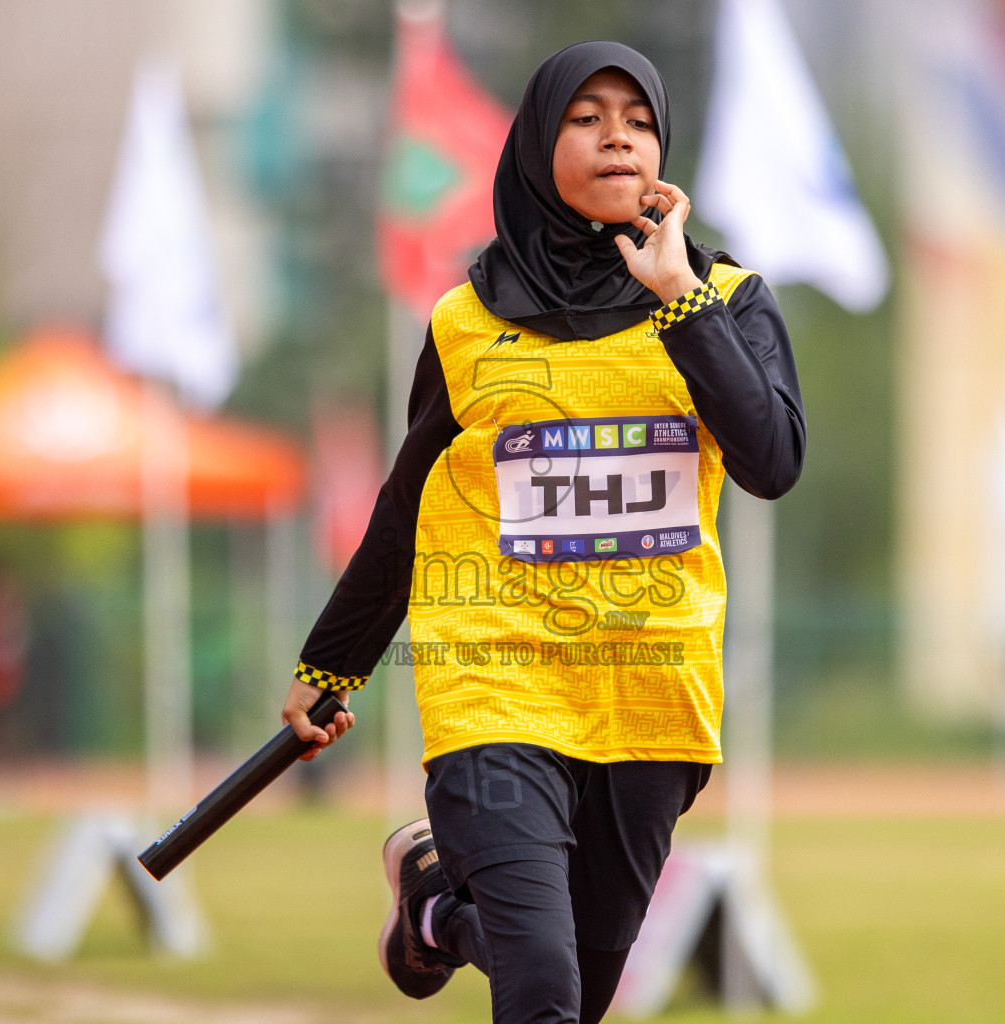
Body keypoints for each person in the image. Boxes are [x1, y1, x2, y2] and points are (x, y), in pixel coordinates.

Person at [280, 40, 805, 1024]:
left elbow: (773, 461)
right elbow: (408, 506)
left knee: (574, 991)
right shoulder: (464, 324)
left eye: (638, 120)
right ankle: (450, 903)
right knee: (544, 993)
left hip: (653, 700)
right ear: (533, 145)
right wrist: (333, 663)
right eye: (586, 117)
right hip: (495, 684)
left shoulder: (725, 303)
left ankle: (438, 909)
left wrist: (675, 293)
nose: (618, 137)